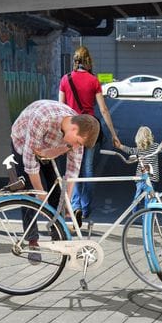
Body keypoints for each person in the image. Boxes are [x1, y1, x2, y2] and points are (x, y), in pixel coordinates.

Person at [7, 98, 99, 249]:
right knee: (31, 192)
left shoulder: (79, 133)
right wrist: (42, 197)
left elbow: (72, 171)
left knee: (57, 192)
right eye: (77, 142)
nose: (76, 147)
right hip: (23, 142)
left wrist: (67, 200)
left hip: (48, 145)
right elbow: (30, 164)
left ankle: (58, 235)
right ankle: (32, 241)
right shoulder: (43, 118)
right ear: (74, 129)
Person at [58, 45, 124, 221]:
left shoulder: (65, 79)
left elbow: (61, 108)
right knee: (87, 169)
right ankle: (85, 208)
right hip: (90, 129)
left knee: (73, 170)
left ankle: (76, 205)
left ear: (75, 60)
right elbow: (103, 109)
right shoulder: (93, 81)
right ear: (88, 61)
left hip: (72, 129)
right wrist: (113, 134)